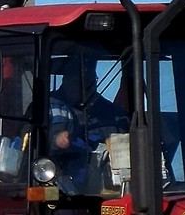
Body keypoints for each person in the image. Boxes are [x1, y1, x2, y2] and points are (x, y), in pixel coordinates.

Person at [48, 53, 129, 193]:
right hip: (57, 186)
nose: (84, 85)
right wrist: (54, 139)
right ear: (66, 79)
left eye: (89, 80)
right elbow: (25, 139)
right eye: (78, 80)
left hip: (107, 188)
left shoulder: (112, 112)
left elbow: (126, 136)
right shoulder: (46, 105)